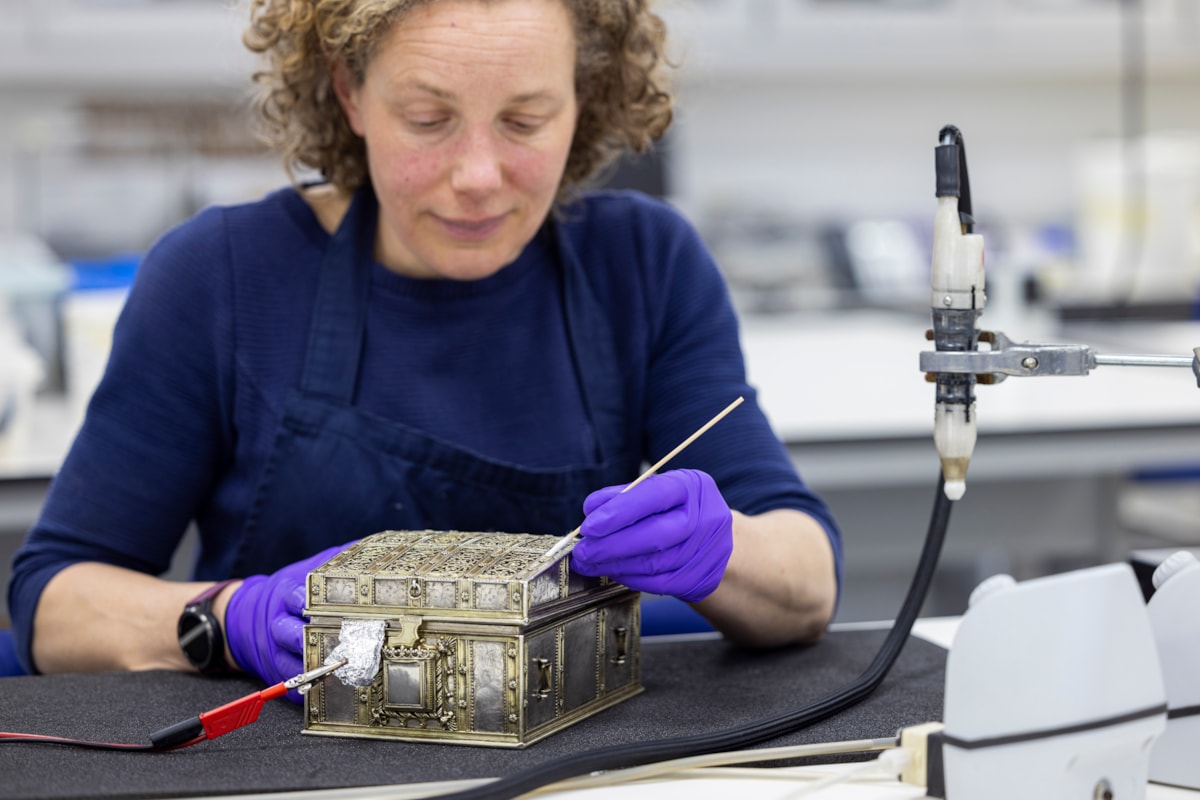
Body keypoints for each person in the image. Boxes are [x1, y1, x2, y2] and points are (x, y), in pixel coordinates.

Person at [7, 0, 841, 691]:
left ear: (584, 99)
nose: (477, 174)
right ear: (349, 93)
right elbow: (54, 601)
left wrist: (723, 548)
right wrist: (225, 620)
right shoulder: (222, 276)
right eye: (428, 118)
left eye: (524, 119)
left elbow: (806, 583)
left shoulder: (646, 265)